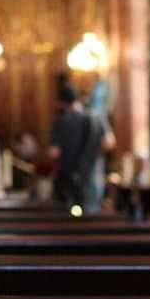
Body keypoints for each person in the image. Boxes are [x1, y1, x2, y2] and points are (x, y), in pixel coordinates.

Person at [50, 85, 107, 214]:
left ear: (61, 103)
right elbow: (107, 143)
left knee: (70, 215)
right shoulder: (94, 119)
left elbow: (54, 152)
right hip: (91, 175)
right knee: (91, 214)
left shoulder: (60, 122)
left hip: (69, 175)